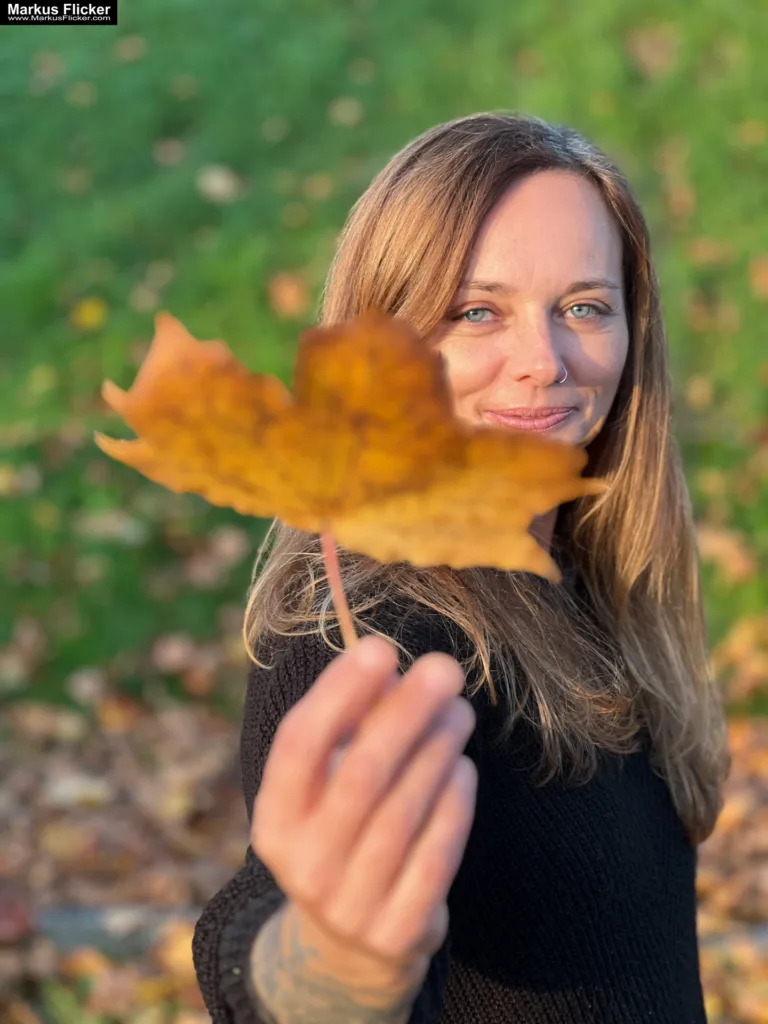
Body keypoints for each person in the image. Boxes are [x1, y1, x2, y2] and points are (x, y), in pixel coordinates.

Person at [191, 111, 731, 1023]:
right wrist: (329, 970)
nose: (544, 363)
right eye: (477, 312)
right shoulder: (372, 631)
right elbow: (279, 939)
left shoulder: (582, 579)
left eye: (584, 307)